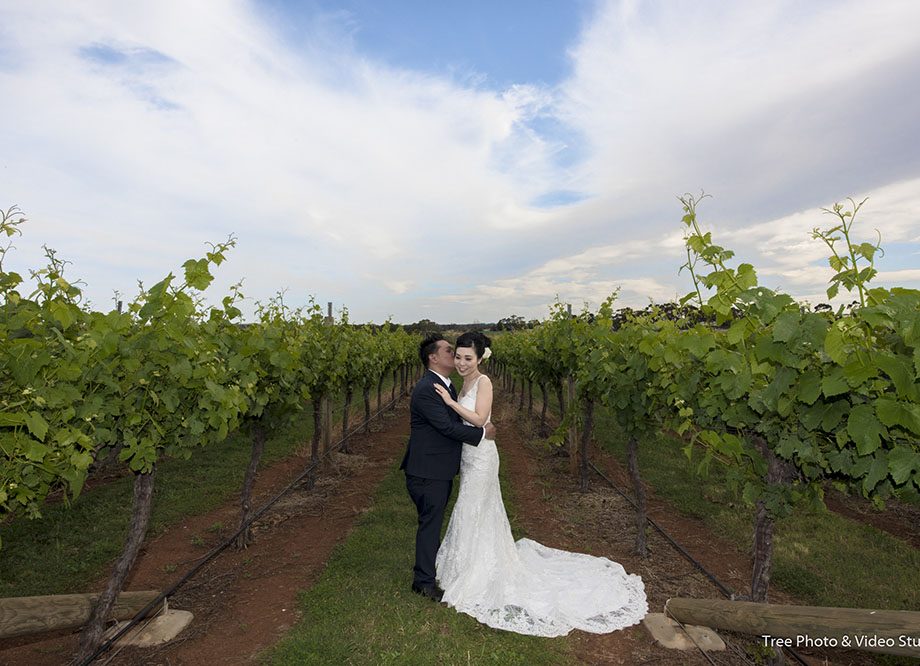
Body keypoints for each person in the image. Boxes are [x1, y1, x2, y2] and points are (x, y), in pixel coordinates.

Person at [432, 331, 648, 637]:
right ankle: (465, 564)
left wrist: (450, 404)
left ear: (480, 358)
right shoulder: (462, 382)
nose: (462, 363)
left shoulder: (484, 382)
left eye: (469, 358)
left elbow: (480, 420)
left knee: (473, 506)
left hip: (482, 457)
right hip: (469, 455)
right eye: (458, 357)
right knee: (476, 509)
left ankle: (473, 573)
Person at [401, 334, 497, 602]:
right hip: (428, 471)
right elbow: (445, 426)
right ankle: (423, 582)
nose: (455, 356)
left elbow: (464, 416)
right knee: (430, 525)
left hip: (439, 467)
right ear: (433, 357)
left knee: (438, 520)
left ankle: (449, 569)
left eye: (464, 355)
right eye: (450, 351)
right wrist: (481, 434)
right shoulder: (428, 389)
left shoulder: (447, 384)